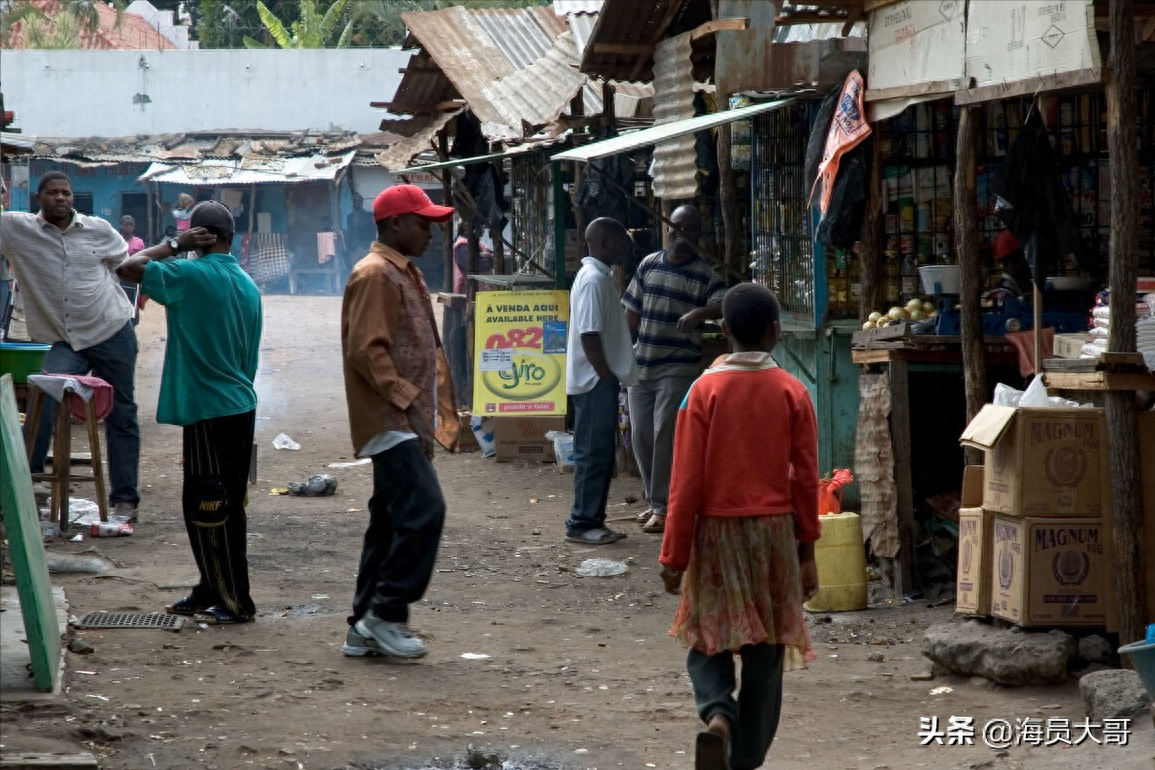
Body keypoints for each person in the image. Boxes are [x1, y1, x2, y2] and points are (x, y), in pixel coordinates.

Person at [658, 282, 819, 770]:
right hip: (773, 535)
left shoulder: (703, 391)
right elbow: (806, 479)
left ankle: (718, 717)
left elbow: (684, 482)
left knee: (708, 635)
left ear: (724, 330)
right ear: (775, 331)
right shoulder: (794, 391)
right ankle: (745, 759)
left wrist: (674, 556)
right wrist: (807, 551)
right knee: (766, 652)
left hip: (715, 533)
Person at [117, 201, 261, 624]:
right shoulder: (248, 285)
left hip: (208, 409)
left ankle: (235, 601)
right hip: (239, 404)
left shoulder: (191, 274)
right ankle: (209, 587)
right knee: (225, 504)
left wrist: (173, 244)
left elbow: (129, 267)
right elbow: (249, 356)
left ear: (203, 236)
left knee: (209, 508)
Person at [340, 184, 460, 659]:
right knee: (426, 509)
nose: (431, 232)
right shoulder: (377, 275)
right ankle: (386, 613)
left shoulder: (399, 272)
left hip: (404, 418)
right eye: (422, 222)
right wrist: (407, 399)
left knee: (390, 521)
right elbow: (367, 349)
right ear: (395, 224)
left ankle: (361, 625)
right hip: (392, 419)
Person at [0, 171, 142, 520]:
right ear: (38, 199)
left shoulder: (100, 229)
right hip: (65, 341)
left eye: (66, 193)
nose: (60, 198)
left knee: (122, 414)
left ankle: (125, 500)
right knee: (42, 402)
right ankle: (25, 485)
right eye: (53, 193)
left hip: (112, 329)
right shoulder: (16, 230)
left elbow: (120, 266)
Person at [622, 204, 725, 535]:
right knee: (640, 436)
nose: (682, 235)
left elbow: (725, 303)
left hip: (677, 365)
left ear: (698, 235)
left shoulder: (704, 274)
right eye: (677, 227)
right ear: (668, 229)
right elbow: (631, 313)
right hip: (643, 362)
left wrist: (699, 314)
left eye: (690, 229)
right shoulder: (648, 264)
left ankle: (665, 508)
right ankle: (655, 501)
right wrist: (623, 354)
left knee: (664, 433)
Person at [564, 218, 639, 546]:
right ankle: (583, 523)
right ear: (606, 243)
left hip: (595, 378)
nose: (626, 245)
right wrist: (605, 375)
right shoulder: (594, 279)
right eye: (622, 239)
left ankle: (589, 520)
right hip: (595, 381)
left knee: (595, 453)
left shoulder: (595, 276)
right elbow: (589, 334)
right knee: (594, 455)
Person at [983, 230, 1033, 304]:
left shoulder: (1014, 289)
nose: (1030, 266)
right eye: (1026, 259)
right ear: (1016, 261)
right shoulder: (1004, 295)